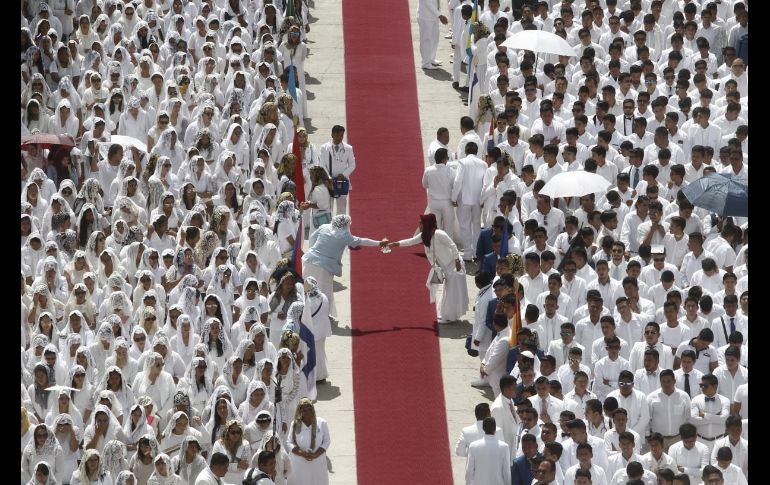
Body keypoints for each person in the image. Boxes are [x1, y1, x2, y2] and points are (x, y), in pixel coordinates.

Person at [301, 215, 387, 320]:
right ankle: (323, 315)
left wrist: (315, 251)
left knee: (306, 288)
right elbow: (362, 241)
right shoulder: (344, 235)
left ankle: (303, 311)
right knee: (324, 291)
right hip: (324, 266)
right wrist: (379, 243)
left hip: (308, 260)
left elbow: (313, 237)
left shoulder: (324, 227)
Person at [389, 213, 469, 324]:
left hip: (454, 265)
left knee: (452, 292)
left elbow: (452, 245)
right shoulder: (424, 236)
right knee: (449, 291)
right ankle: (448, 315)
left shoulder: (439, 234)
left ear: (427, 224)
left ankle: (450, 317)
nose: (419, 224)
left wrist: (456, 261)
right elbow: (409, 242)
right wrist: (394, 244)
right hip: (446, 267)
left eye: (421, 222)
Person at [285, 399, 330, 485]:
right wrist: (302, 453)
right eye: (304, 410)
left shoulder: (321, 423)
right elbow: (289, 442)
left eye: (309, 409)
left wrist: (316, 454)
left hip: (317, 461)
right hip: (299, 463)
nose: (307, 412)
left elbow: (327, 441)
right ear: (299, 410)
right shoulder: (295, 424)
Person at [318, 126, 355, 216]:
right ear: (332, 135)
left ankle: (341, 228)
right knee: (328, 207)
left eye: (341, 136)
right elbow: (322, 164)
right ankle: (329, 228)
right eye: (337, 135)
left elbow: (352, 165)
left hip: (342, 182)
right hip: (328, 182)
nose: (339, 138)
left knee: (342, 208)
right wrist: (329, 178)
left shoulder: (348, 148)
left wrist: (344, 174)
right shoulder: (324, 147)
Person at [465, 417, 511, 485]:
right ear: (495, 429)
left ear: (483, 428)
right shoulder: (504, 447)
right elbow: (506, 472)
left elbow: (469, 471)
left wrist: (467, 483)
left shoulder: (473, 446)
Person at [416, 0, 448, 70]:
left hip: (434, 16)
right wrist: (439, 15)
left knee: (435, 39)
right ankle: (425, 63)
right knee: (426, 40)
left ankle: (431, 59)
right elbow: (428, 3)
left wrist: (438, 14)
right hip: (425, 17)